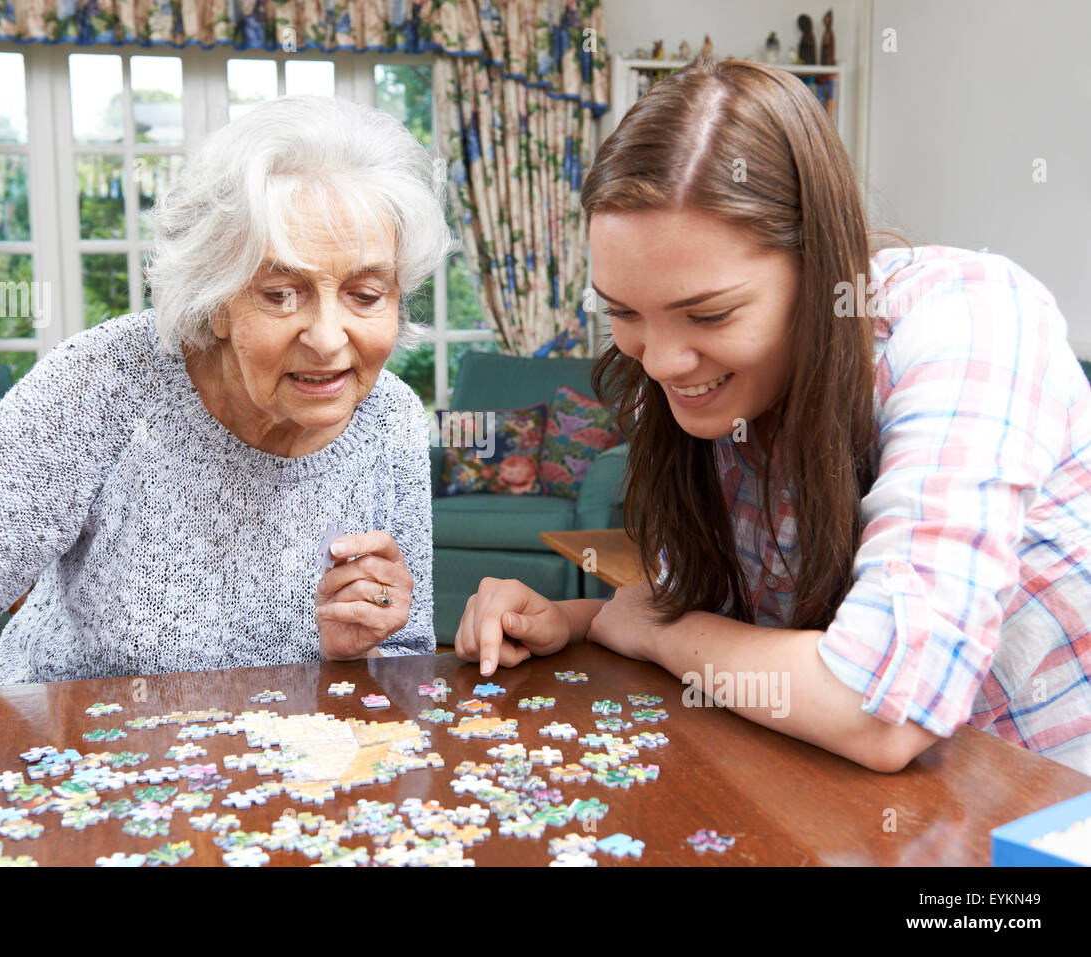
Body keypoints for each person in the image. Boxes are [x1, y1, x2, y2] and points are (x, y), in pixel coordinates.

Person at [0, 95, 452, 790]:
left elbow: (402, 667)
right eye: (281, 293)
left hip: (278, 799)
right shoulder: (104, 384)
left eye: (364, 293)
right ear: (217, 298)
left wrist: (357, 645)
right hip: (68, 783)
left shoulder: (394, 419)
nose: (327, 337)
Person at [455, 58, 1091, 775]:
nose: (660, 362)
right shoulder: (715, 389)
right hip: (855, 797)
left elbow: (878, 708)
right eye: (624, 312)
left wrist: (661, 635)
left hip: (1045, 806)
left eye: (709, 312)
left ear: (820, 266)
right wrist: (560, 619)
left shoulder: (974, 321)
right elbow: (703, 614)